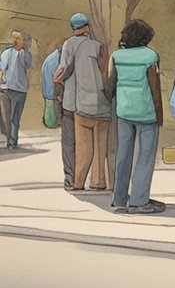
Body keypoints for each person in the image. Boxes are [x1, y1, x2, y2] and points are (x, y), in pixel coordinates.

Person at [104, 19, 165, 214]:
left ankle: (120, 198)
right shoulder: (151, 56)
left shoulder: (116, 56)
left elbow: (109, 86)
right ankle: (139, 200)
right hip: (146, 112)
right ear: (146, 37)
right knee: (145, 157)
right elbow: (155, 88)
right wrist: (159, 115)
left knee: (123, 155)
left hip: (123, 111)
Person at [71, 26, 113, 194]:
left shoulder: (73, 47)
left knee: (83, 147)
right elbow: (105, 74)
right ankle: (98, 181)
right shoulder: (100, 48)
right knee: (101, 146)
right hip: (102, 104)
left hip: (82, 103)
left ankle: (78, 181)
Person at [55, 13, 91, 190]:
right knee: (88, 141)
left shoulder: (67, 44)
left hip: (70, 101)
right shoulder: (95, 45)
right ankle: (87, 178)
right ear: (87, 27)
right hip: (90, 102)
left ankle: (70, 179)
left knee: (69, 142)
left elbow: (62, 70)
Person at [0, 31, 32, 150]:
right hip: (8, 88)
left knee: (16, 117)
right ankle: (9, 141)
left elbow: (28, 65)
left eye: (19, 38)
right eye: (15, 38)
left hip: (21, 89)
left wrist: (24, 52)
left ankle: (14, 141)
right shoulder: (7, 53)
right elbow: (2, 68)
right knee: (7, 117)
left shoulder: (26, 54)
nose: (16, 41)